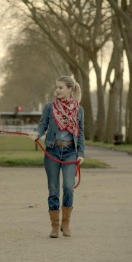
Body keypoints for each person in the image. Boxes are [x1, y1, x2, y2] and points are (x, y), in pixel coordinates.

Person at [28, 76, 85, 238]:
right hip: (52, 151)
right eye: (57, 87)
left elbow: (80, 133)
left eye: (61, 87)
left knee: (68, 187)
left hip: (70, 153)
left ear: (70, 90)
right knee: (53, 189)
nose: (57, 90)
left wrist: (81, 154)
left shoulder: (79, 110)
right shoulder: (49, 107)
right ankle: (55, 225)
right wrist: (37, 134)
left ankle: (66, 223)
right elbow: (42, 125)